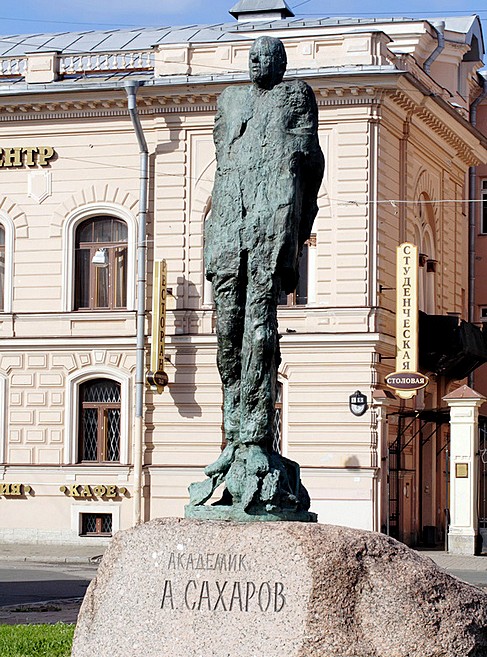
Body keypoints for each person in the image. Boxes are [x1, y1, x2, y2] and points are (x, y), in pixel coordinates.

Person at [189, 35, 324, 514]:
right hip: (228, 221)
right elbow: (224, 162)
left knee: (259, 330)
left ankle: (255, 440)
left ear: (282, 63)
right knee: (226, 333)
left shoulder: (295, 95)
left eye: (268, 56)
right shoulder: (229, 100)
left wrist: (296, 224)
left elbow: (311, 162)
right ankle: (233, 434)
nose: (258, 62)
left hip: (271, 219)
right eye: (252, 56)